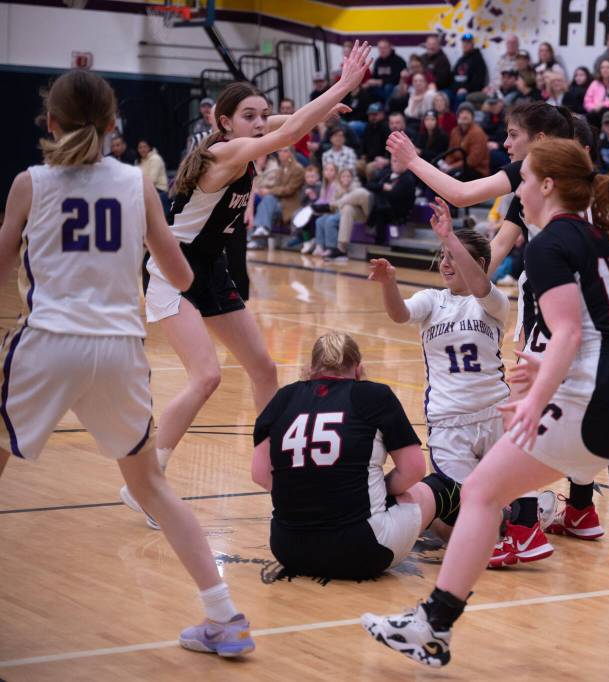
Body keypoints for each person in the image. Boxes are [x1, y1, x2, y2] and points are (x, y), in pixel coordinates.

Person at [361, 113, 609, 676]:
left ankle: (433, 627)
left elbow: (572, 331)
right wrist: (545, 366)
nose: (517, 192)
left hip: (599, 387)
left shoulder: (551, 241)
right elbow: (595, 328)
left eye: (523, 180)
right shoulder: (601, 236)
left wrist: (536, 397)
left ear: (547, 184)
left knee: (479, 491)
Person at [0, 69, 254, 657]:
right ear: (115, 125)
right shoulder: (137, 184)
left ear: (52, 122)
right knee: (152, 487)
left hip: (47, 341)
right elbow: (182, 274)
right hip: (118, 349)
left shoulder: (29, 182)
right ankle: (224, 616)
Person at [124, 44, 373, 528]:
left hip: (210, 269)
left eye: (263, 114)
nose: (260, 123)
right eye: (249, 116)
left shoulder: (242, 138)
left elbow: (289, 121)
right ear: (223, 122)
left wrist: (320, 108)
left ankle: (278, 467)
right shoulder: (226, 152)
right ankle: (147, 483)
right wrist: (340, 86)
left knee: (263, 369)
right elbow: (294, 128)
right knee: (206, 377)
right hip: (171, 269)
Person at [386, 102, 607, 545]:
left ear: (545, 142)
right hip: (589, 305)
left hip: (554, 297)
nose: (505, 144)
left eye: (511, 135)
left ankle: (523, 528)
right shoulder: (577, 188)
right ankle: (579, 507)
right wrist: (474, 291)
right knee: (568, 408)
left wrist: (411, 160)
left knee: (527, 411)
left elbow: (464, 193)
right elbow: (502, 242)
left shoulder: (542, 171)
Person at [367, 203, 522, 558]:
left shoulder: (493, 303)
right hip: (449, 422)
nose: (446, 262)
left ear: (478, 264)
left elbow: (481, 286)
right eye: (443, 256)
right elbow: (399, 314)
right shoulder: (431, 300)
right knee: (471, 515)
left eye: (453, 256)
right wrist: (390, 284)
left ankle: (524, 515)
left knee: (502, 504)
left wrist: (451, 236)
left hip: (495, 414)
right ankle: (433, 518)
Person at [251, 333, 443, 581]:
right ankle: (489, 532)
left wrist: (306, 488)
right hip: (362, 551)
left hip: (288, 548)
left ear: (310, 369)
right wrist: (380, 490)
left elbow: (260, 474)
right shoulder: (374, 396)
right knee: (436, 488)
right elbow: (414, 470)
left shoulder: (284, 398)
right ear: (359, 369)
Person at [136, 138, 169, 213]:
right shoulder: (138, 161)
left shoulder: (155, 159)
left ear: (149, 147)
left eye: (145, 147)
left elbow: (152, 180)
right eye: (140, 147)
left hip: (159, 191)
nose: (142, 149)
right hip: (146, 190)